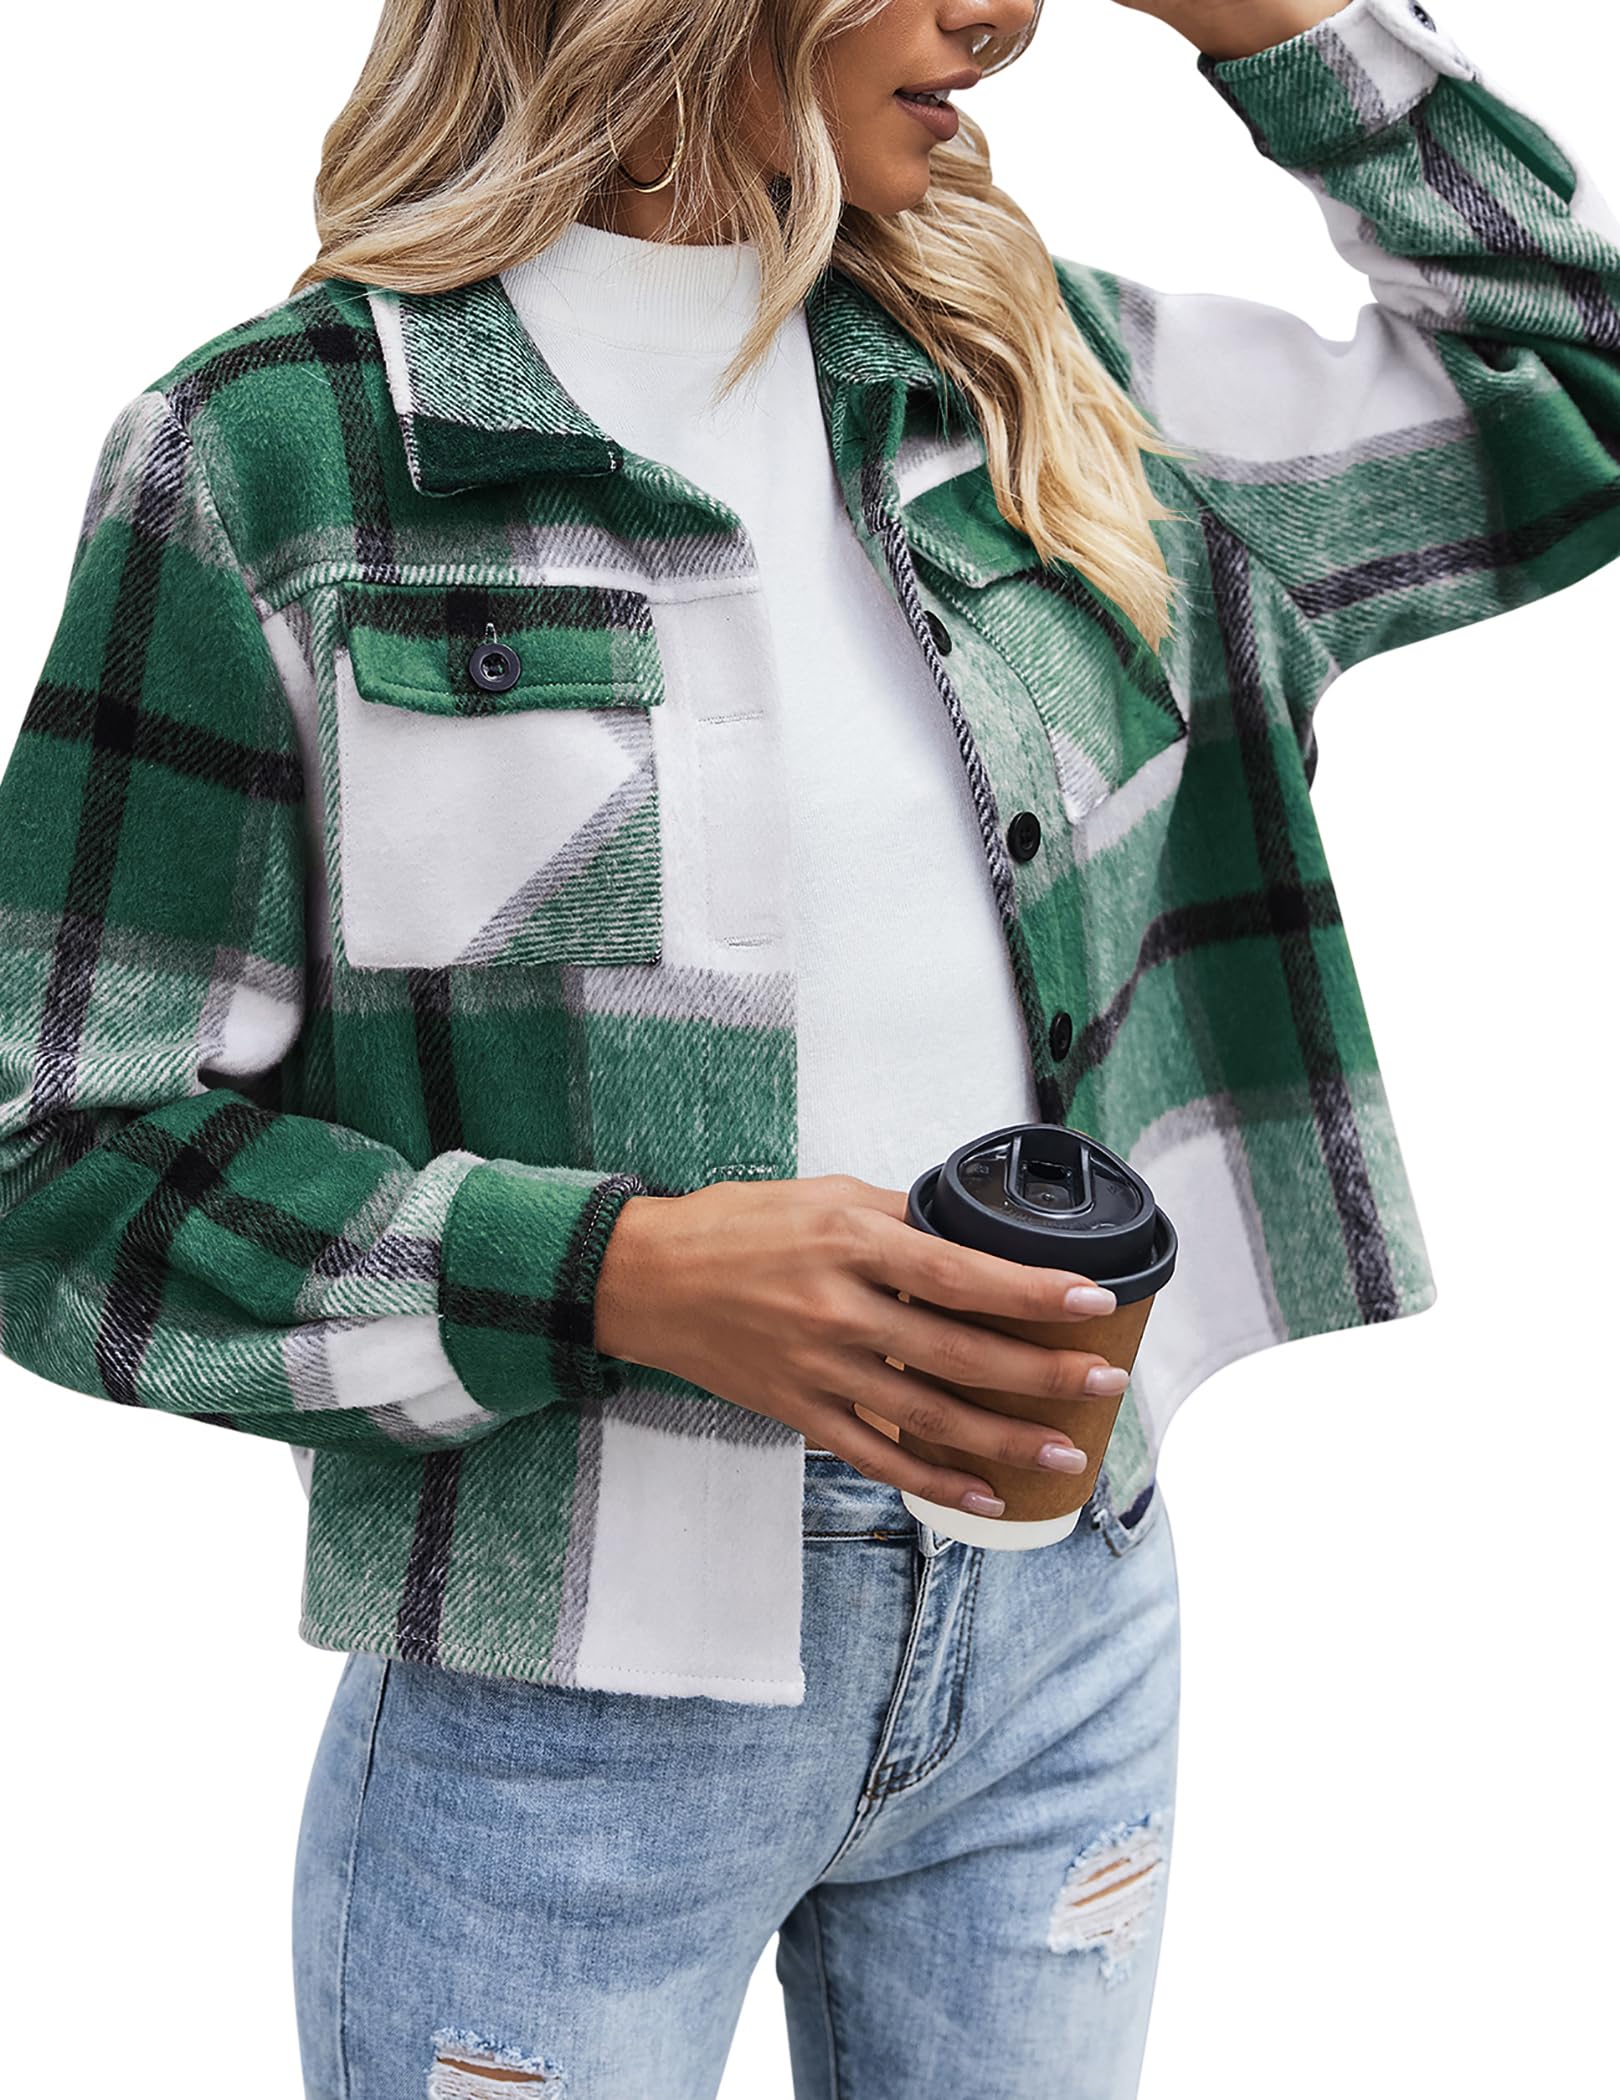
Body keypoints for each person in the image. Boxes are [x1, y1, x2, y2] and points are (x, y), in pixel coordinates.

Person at [1, 0, 1616, 2092]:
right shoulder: (283, 459)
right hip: (570, 1691)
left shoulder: (1048, 377)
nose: (1003, 19)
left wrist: (1274, 20)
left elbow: (1578, 383)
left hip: (1065, 1622)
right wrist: (618, 1274)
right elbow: (53, 1148)